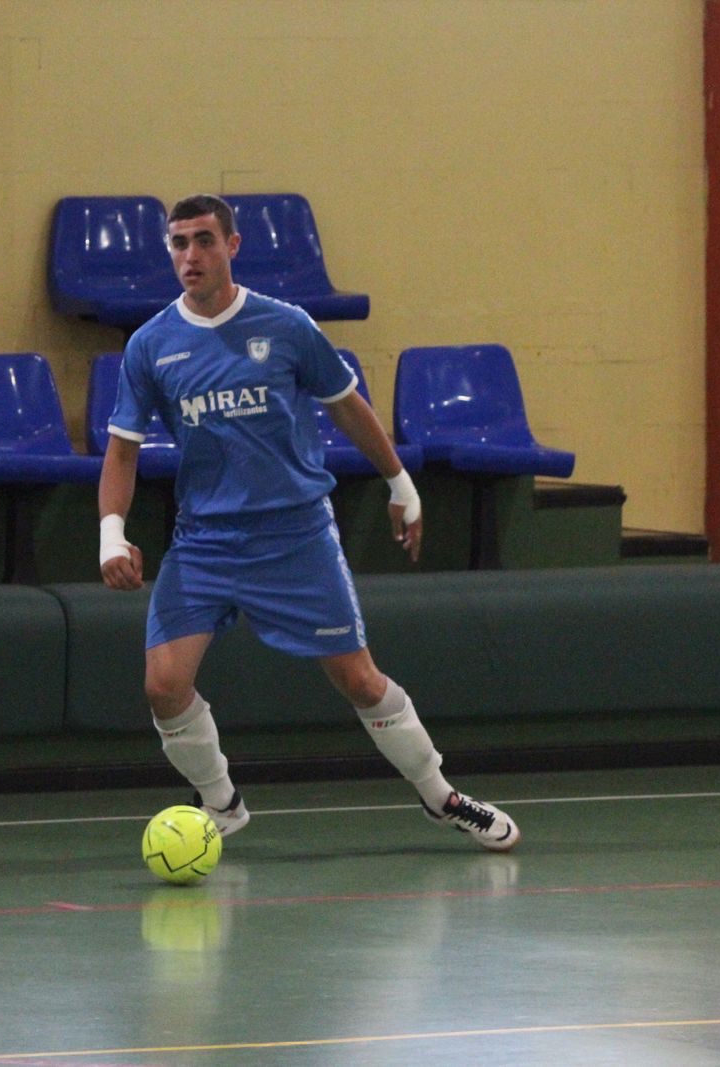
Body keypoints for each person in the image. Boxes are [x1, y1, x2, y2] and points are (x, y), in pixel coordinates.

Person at [99, 194, 519, 852]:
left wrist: (400, 483)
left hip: (295, 535)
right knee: (163, 684)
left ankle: (443, 797)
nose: (190, 256)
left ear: (232, 246)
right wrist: (110, 532)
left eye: (204, 240)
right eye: (179, 243)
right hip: (205, 541)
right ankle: (222, 803)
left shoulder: (288, 326)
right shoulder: (151, 345)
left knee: (359, 679)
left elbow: (348, 407)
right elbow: (122, 447)